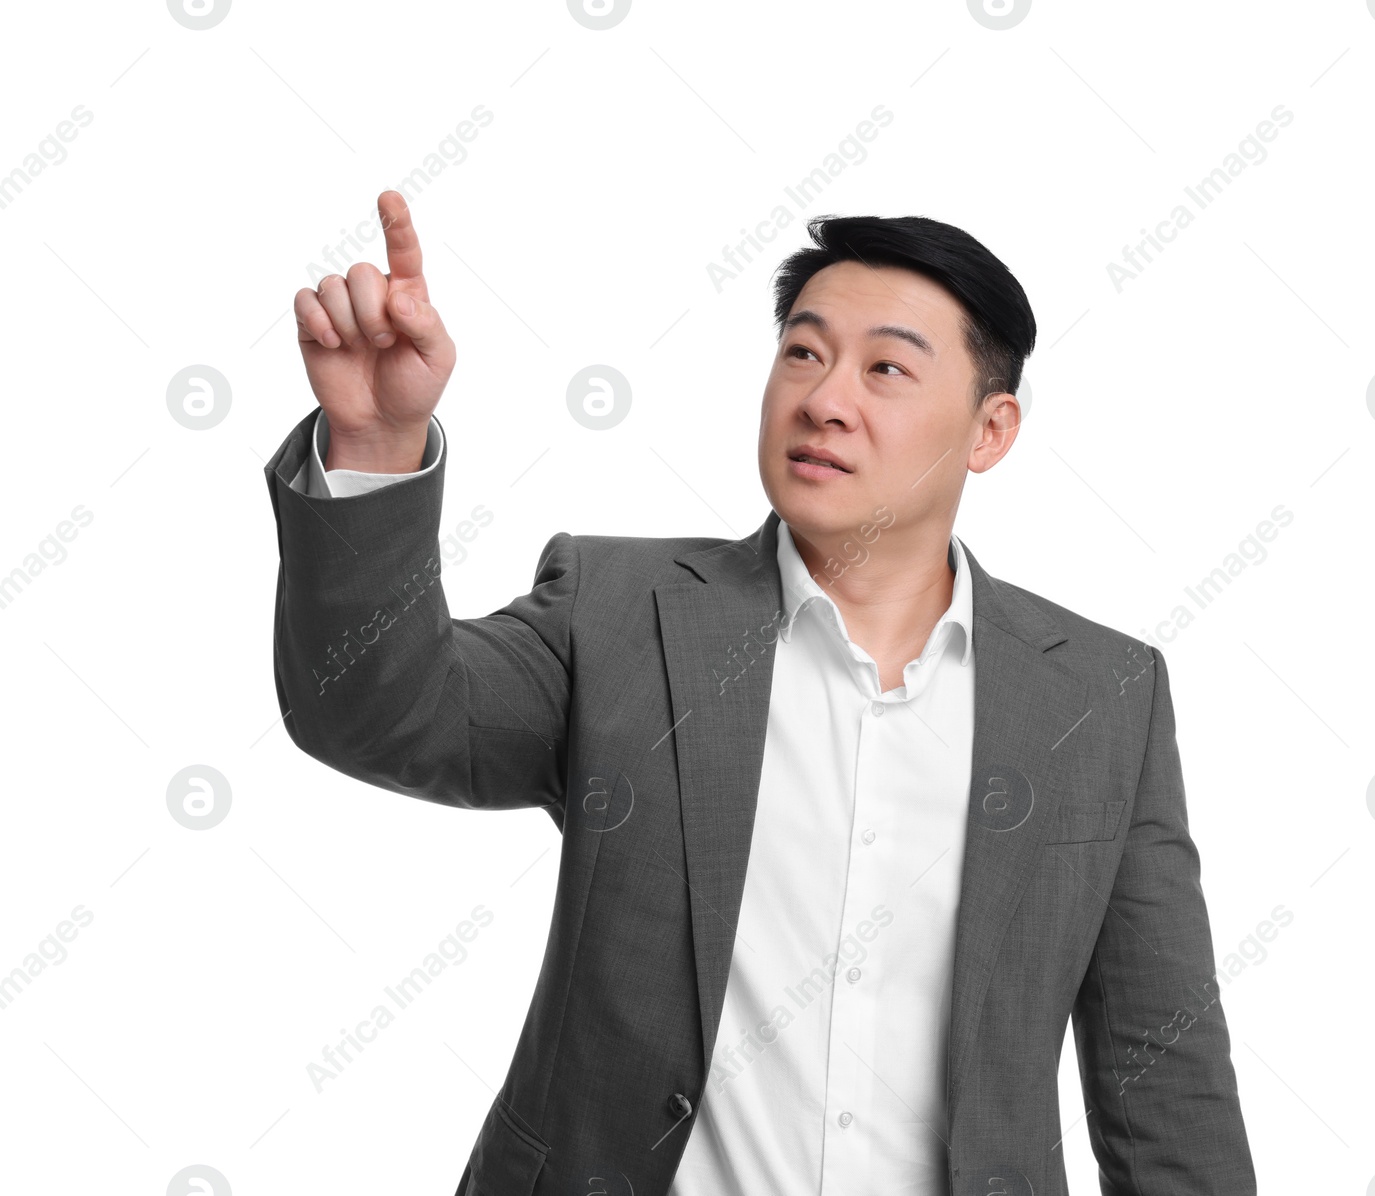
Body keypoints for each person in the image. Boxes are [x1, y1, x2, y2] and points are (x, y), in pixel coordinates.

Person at [265, 189, 1255, 1195]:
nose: (825, 398)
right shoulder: (620, 617)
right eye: (803, 352)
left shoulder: (1099, 698)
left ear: (988, 430)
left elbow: (1163, 1079)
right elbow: (375, 709)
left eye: (886, 369)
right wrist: (377, 444)